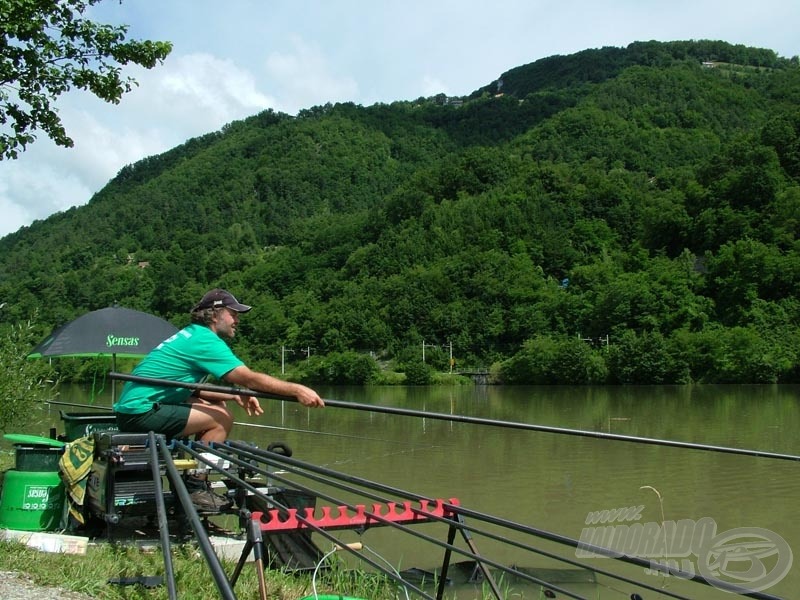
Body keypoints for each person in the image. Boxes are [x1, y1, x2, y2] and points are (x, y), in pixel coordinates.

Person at [113, 288, 324, 512]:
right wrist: (296, 390)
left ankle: (190, 475)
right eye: (233, 314)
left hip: (134, 408)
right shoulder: (204, 340)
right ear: (215, 314)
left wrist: (235, 394)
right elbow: (248, 378)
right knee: (221, 418)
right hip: (142, 411)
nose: (237, 320)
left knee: (217, 406)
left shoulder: (191, 334)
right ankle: (195, 487)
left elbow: (192, 389)